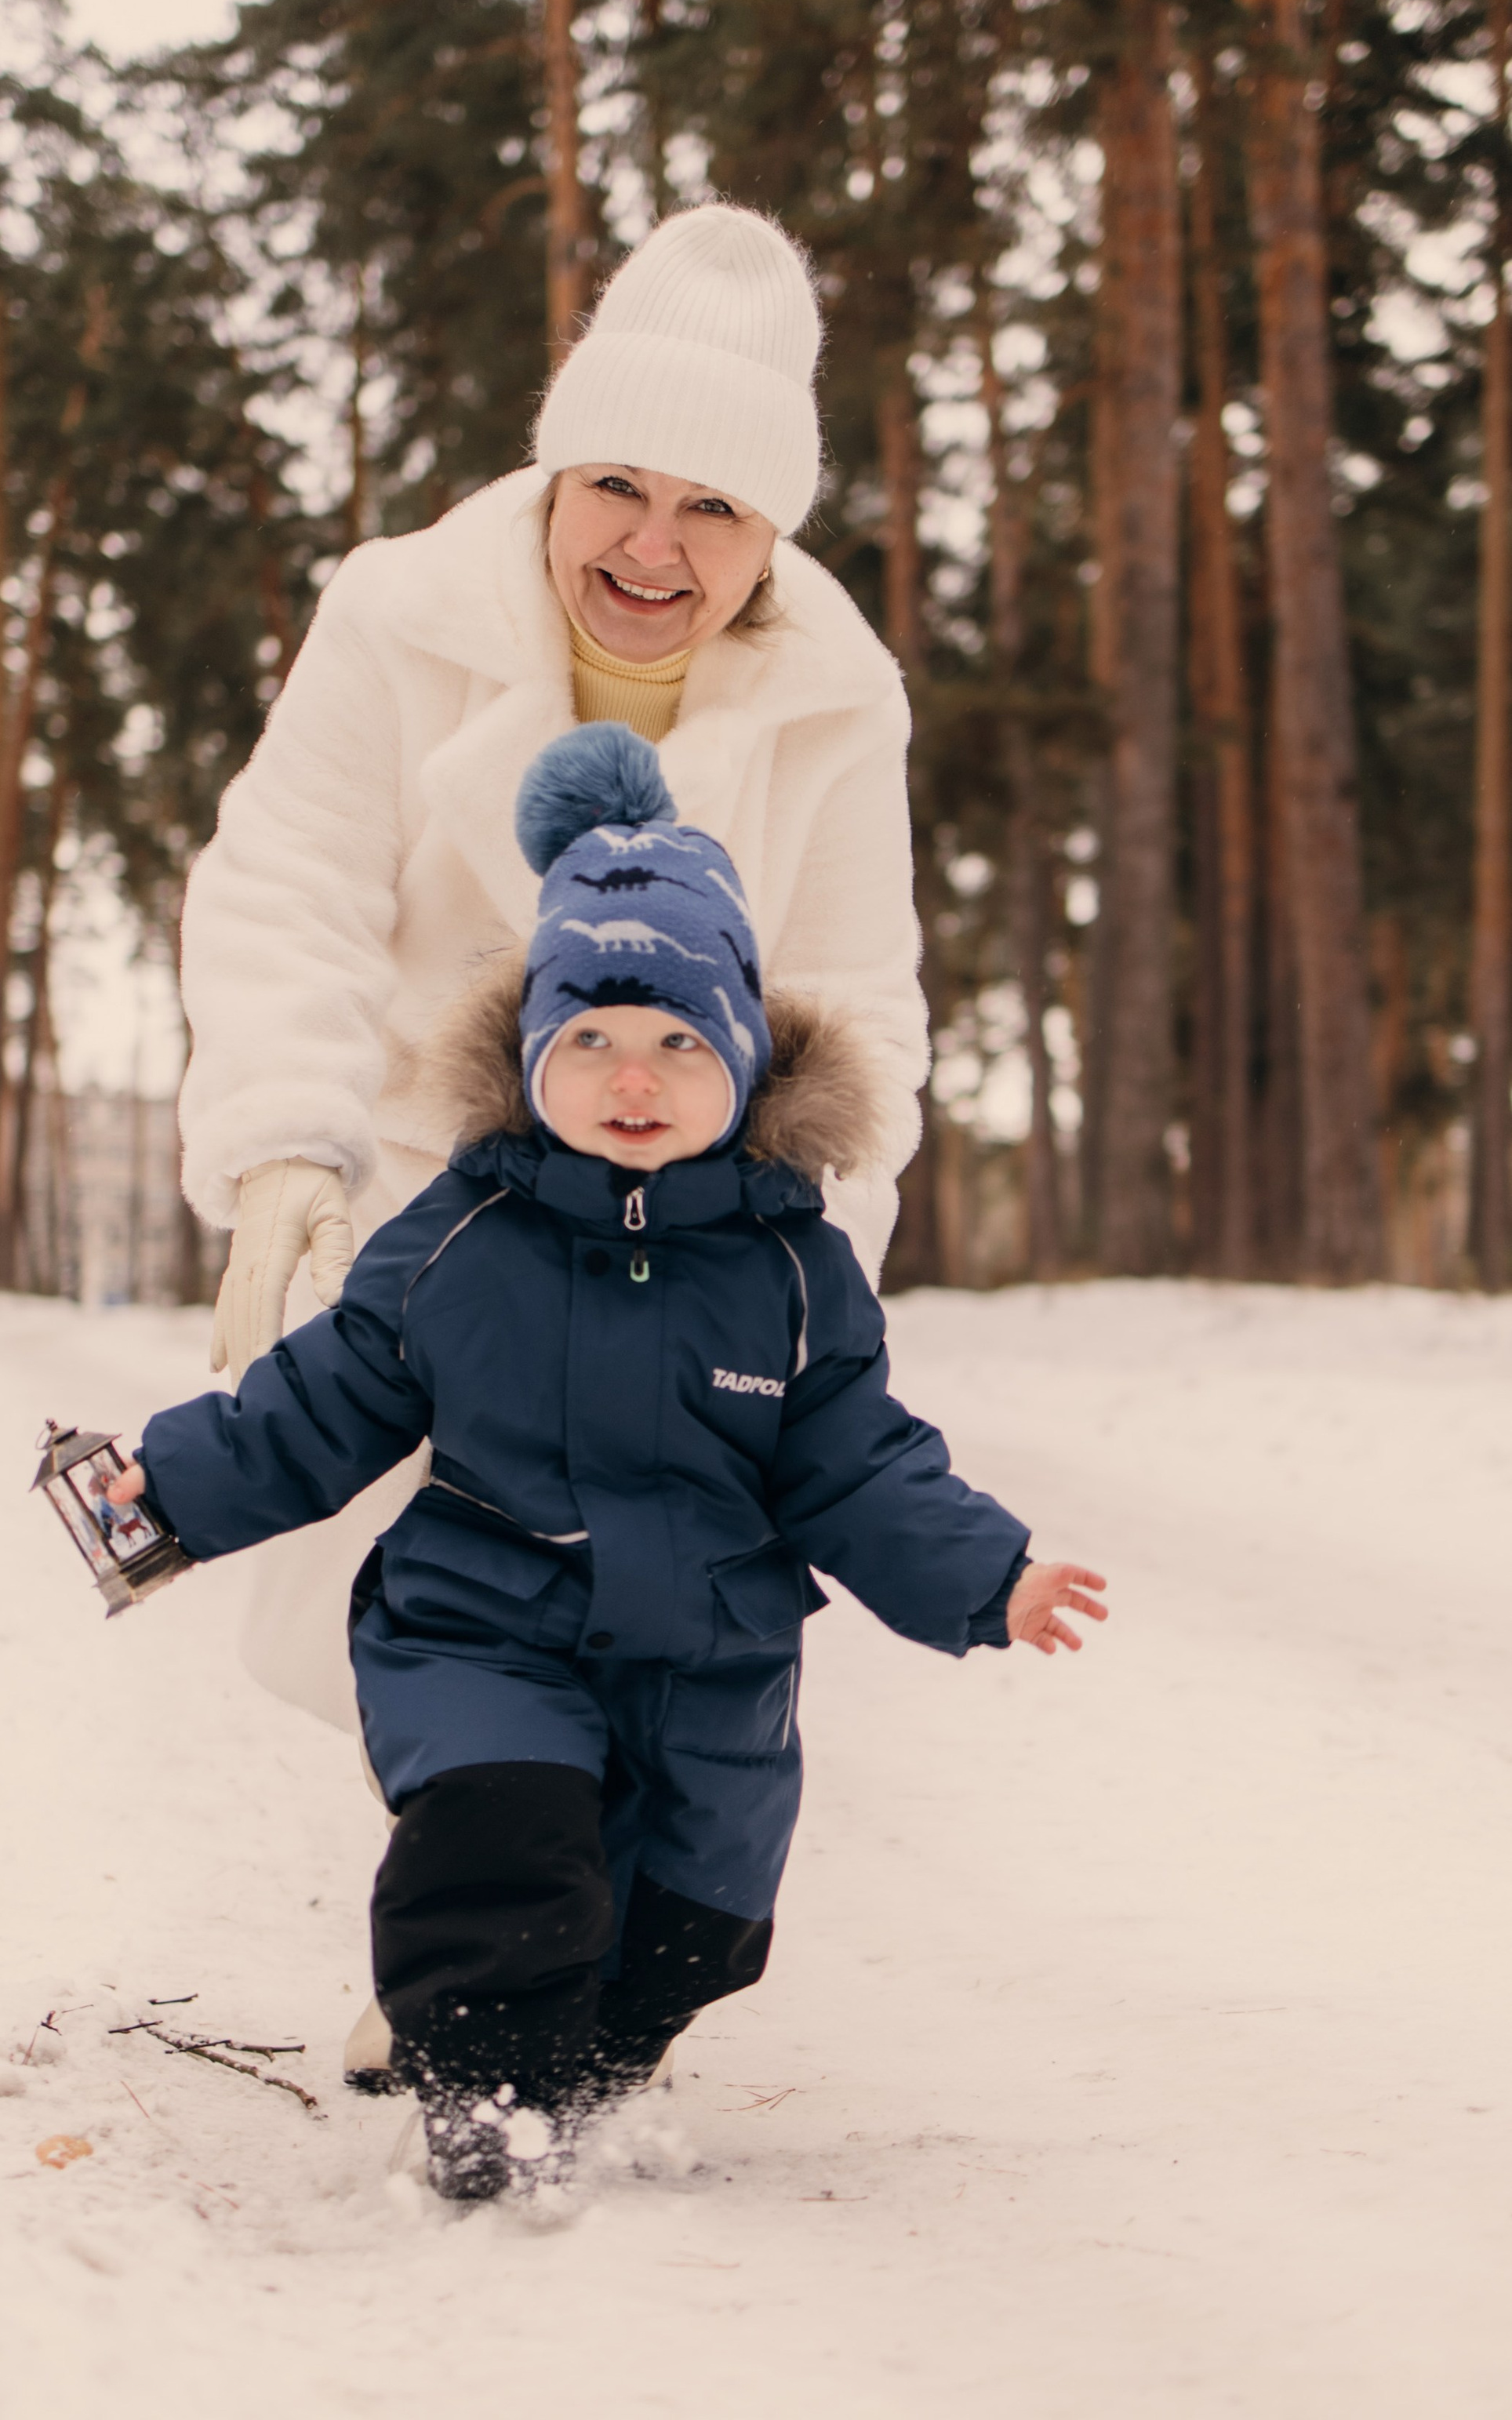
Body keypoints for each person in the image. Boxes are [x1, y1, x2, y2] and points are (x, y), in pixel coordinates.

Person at [114, 728, 1107, 2204]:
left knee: (699, 1921)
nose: (630, 1079)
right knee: (501, 1842)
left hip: (709, 1655)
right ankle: (491, 2102)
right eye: (588, 1040)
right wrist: (177, 1485)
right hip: (485, 1618)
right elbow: (327, 1396)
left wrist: (991, 1575)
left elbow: (858, 1462)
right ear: (531, 1057)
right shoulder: (459, 1238)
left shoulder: (791, 1268)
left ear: (746, 1058)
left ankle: (592, 2062)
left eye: (677, 1044)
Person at [176, 202, 931, 1752]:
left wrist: (808, 1267)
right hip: (423, 1196)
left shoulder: (834, 699)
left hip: (686, 1223)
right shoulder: (398, 613)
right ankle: (477, 1943)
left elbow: (851, 998)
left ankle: (543, 1954)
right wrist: (279, 1150)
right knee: (405, 1614)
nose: (651, 547)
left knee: (648, 1628)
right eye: (615, 488)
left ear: (769, 530)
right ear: (553, 474)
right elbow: (289, 888)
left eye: (712, 508)